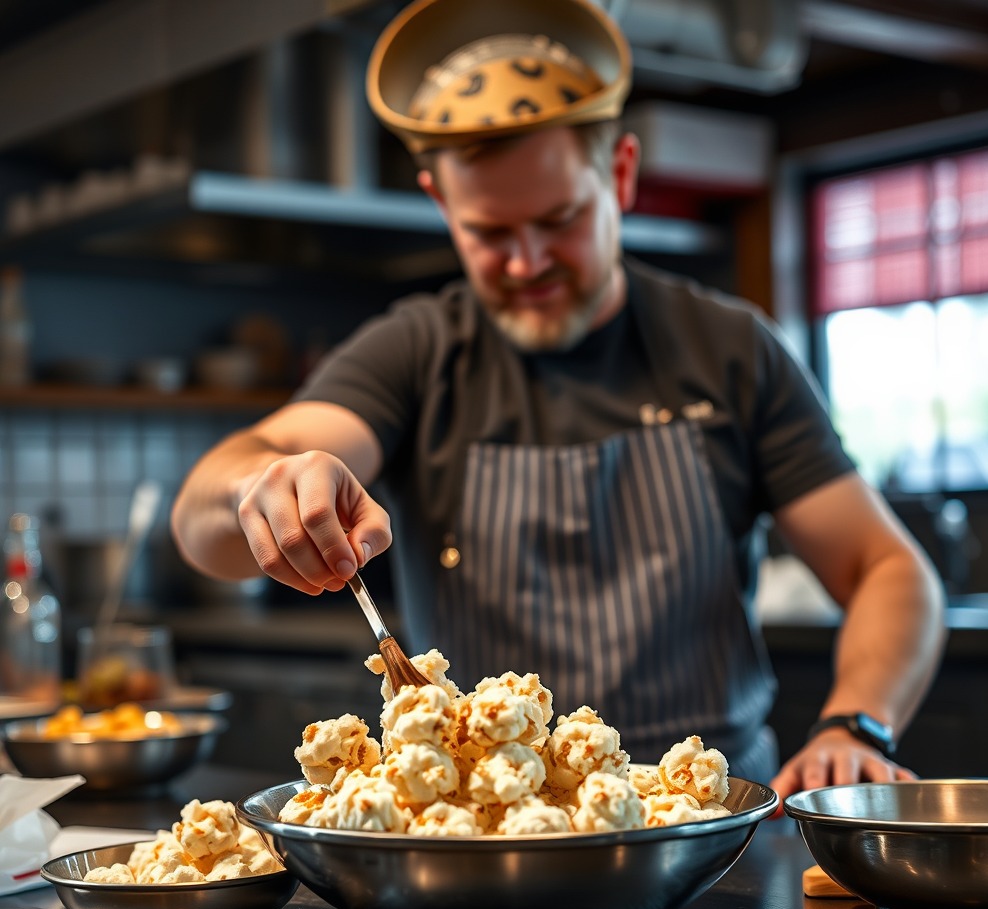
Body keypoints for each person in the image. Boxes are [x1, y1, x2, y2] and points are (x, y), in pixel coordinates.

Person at [171, 0, 946, 794]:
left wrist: (857, 722)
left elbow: (888, 568)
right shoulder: (414, 352)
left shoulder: (729, 349)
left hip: (710, 833)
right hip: (491, 833)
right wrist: (259, 485)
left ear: (620, 173)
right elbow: (207, 515)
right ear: (440, 201)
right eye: (489, 233)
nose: (526, 262)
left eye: (559, 219)